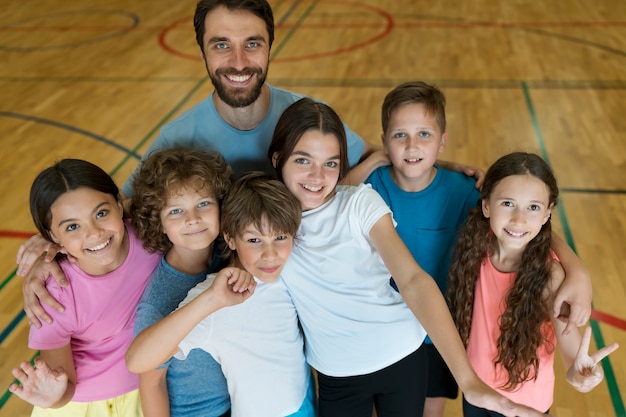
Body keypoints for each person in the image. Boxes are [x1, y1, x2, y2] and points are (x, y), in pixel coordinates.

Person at [16, 0, 486, 326]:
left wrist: (448, 165)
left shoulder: (307, 118)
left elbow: (378, 159)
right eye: (221, 44)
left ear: (269, 47)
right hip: (222, 302)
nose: (238, 60)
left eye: (252, 44)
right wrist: (48, 250)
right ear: (201, 49)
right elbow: (113, 218)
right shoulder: (175, 141)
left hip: (306, 296)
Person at [267, 97, 553, 417]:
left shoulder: (361, 202)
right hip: (336, 373)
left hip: (402, 355)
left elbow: (413, 280)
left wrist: (468, 381)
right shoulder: (265, 221)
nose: (317, 176)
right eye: (303, 161)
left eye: (331, 163)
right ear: (279, 158)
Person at [362, 81, 596, 417]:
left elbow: (524, 228)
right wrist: (372, 163)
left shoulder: (469, 198)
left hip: (457, 352)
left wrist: (578, 270)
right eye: (400, 135)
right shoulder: (478, 246)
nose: (413, 144)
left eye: (424, 134)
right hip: (401, 340)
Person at [126, 172, 315, 417]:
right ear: (231, 239)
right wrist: (211, 300)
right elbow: (137, 361)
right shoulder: (217, 297)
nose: (270, 254)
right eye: (254, 240)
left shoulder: (287, 265)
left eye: (280, 237)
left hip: (305, 398)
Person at [446, 152, 619, 416]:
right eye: (508, 203)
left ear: (547, 214)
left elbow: (571, 351)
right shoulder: (475, 248)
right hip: (478, 392)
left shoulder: (551, 276)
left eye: (533, 207)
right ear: (486, 206)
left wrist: (577, 373)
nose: (519, 219)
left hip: (525, 405)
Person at [8, 159, 162, 416]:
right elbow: (64, 388)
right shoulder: (53, 295)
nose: (94, 233)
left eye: (101, 213)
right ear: (54, 237)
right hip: (81, 406)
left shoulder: (152, 237)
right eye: (72, 227)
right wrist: (52, 397)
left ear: (118, 202)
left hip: (149, 390)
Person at [128, 147, 236, 417]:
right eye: (176, 211)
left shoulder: (227, 251)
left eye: (203, 204)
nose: (193, 219)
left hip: (240, 402)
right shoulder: (159, 302)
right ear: (159, 223)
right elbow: (152, 385)